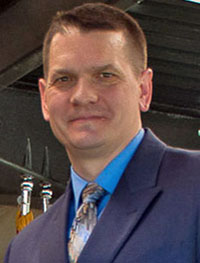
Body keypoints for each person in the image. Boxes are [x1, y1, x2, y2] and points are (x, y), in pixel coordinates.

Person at [4, 3, 200, 263]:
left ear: (143, 90)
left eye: (105, 75)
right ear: (44, 98)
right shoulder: (22, 249)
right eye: (63, 79)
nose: (83, 95)